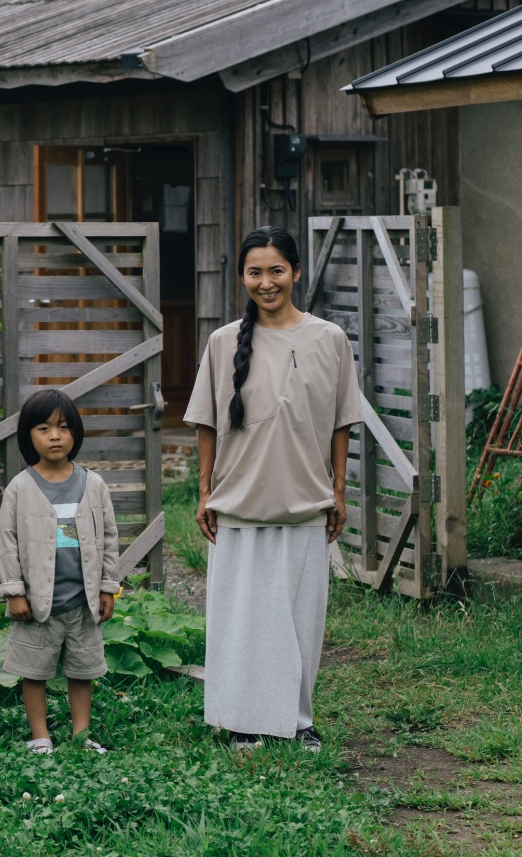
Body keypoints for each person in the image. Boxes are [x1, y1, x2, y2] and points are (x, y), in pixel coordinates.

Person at [183, 225, 363, 752]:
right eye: (255, 272)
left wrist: (338, 491)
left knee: (299, 620)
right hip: (239, 502)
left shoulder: (329, 339)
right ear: (242, 277)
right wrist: (203, 492)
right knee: (242, 621)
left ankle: (297, 718)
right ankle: (241, 719)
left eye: (276, 270)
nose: (266, 282)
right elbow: (206, 425)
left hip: (305, 501)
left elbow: (340, 424)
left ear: (296, 273)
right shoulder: (222, 344)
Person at [0, 389, 120, 755]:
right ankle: (41, 737)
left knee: (82, 671)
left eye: (64, 427)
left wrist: (107, 586)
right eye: (44, 428)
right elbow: (6, 541)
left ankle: (81, 735)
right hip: (37, 604)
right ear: (27, 436)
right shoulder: (20, 488)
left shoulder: (93, 484)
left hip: (83, 602)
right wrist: (15, 591)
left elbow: (109, 536)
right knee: (34, 671)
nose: (55, 436)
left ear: (76, 434)